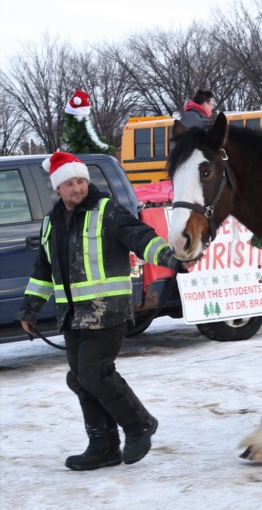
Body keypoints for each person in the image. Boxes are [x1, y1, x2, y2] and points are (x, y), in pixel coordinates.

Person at [15, 152, 192, 471]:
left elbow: (140, 238)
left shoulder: (106, 211)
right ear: (57, 188)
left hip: (108, 310)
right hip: (72, 316)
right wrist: (30, 310)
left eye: (81, 181)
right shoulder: (51, 222)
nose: (77, 188)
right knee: (81, 378)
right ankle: (103, 445)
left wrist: (172, 259)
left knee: (94, 372)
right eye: (69, 183)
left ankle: (139, 425)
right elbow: (44, 270)